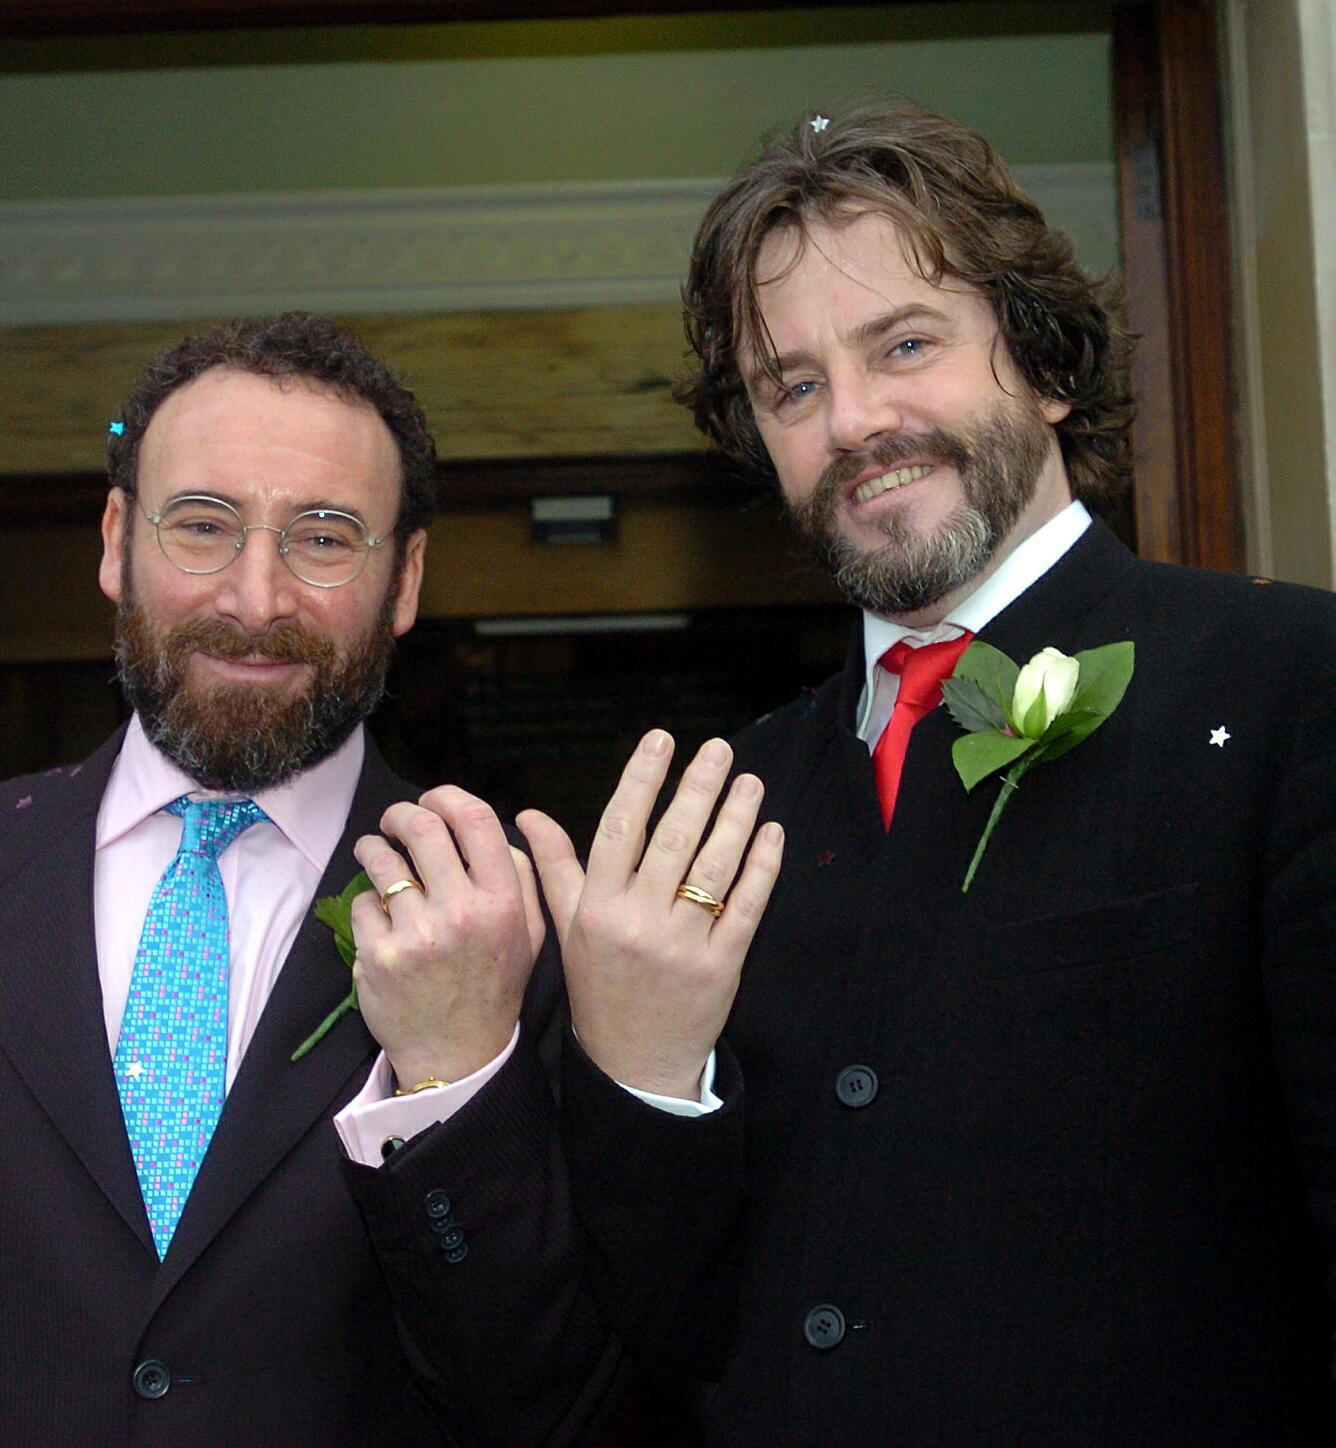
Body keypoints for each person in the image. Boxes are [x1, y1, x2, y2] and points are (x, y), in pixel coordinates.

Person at [521, 104, 1336, 1445]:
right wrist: (639, 1071)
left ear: (1047, 362)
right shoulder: (726, 808)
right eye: (791, 386)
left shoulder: (1289, 687)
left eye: (904, 344)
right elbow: (661, 1343)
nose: (853, 422)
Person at [0, 313, 618, 1445]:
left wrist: (450, 1079)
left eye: (323, 537)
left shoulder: (531, 929)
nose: (254, 596)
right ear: (115, 537)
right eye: (202, 526)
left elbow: (550, 1399)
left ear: (406, 575)